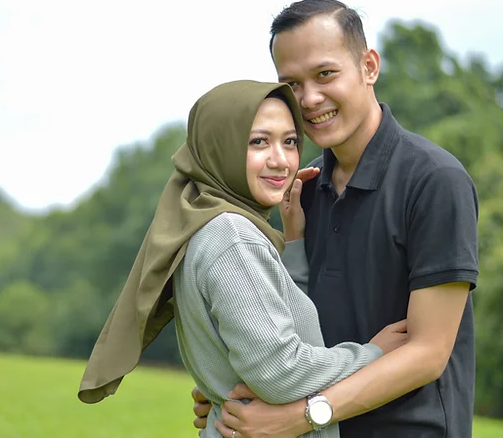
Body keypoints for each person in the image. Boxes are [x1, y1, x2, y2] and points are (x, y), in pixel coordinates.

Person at [192, 0, 479, 438]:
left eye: (325, 74)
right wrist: (223, 394)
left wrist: (305, 414)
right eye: (292, 83)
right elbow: (289, 335)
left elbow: (428, 351)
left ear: (368, 66)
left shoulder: (435, 180)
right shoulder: (300, 193)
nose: (309, 99)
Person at [76, 80, 408, 438]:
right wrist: (374, 355)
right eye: (258, 142)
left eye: (290, 141)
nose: (281, 160)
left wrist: (293, 242)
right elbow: (281, 371)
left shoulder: (205, 222)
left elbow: (275, 324)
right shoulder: (231, 236)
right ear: (221, 148)